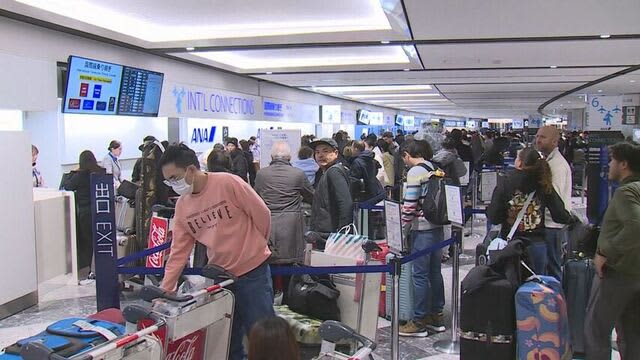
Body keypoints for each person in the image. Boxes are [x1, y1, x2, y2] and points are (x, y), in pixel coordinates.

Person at [158, 144, 274, 360]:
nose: (173, 184)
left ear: (191, 170)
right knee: (226, 340)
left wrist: (257, 246)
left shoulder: (228, 183)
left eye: (175, 177)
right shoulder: (183, 206)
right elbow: (179, 252)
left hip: (253, 273)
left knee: (263, 338)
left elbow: (262, 214)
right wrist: (166, 291)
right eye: (168, 181)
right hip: (220, 279)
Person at [584, 142, 640, 360]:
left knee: (596, 330)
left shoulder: (626, 192)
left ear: (624, 164)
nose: (609, 165)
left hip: (618, 274)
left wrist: (606, 252)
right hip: (635, 273)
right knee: (632, 332)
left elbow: (636, 225)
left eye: (612, 160)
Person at [487, 147, 572, 276]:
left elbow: (494, 217)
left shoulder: (505, 182)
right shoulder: (543, 183)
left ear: (520, 162)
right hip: (537, 246)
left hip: (511, 246)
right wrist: (571, 219)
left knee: (508, 288)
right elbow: (560, 214)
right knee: (535, 290)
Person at [398, 140, 446, 337]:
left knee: (419, 276)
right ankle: (436, 316)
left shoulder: (415, 172)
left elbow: (410, 206)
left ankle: (418, 321)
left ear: (407, 154)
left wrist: (400, 228)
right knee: (435, 272)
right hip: (438, 229)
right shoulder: (435, 168)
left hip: (422, 230)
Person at [255, 142, 314, 299]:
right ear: (289, 157)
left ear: (272, 157)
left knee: (269, 262)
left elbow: (256, 197)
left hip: (268, 224)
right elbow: (311, 196)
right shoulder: (298, 174)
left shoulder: (261, 174)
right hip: (291, 224)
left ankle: (272, 297)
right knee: (290, 264)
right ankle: (289, 299)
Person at [536, 126, 572, 281]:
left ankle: (556, 302)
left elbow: (553, 199)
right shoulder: (549, 161)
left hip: (552, 225)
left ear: (555, 141)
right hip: (551, 225)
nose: (538, 140)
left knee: (552, 268)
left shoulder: (556, 165)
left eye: (542, 137)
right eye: (537, 136)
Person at [63, 150, 106, 279]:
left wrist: (73, 171)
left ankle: (89, 269)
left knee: (87, 242)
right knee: (100, 240)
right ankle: (101, 266)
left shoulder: (80, 175)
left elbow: (67, 186)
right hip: (101, 211)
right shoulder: (101, 171)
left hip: (85, 212)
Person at [309, 138, 353, 234]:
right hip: (325, 232)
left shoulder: (334, 172)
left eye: (325, 151)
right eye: (317, 152)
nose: (320, 155)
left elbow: (345, 203)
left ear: (335, 153)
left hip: (331, 235)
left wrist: (342, 234)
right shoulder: (323, 173)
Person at [350, 139, 385, 204]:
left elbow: (355, 180)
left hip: (365, 193)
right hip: (375, 190)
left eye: (352, 148)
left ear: (356, 149)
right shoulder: (370, 158)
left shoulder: (357, 162)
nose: (351, 150)